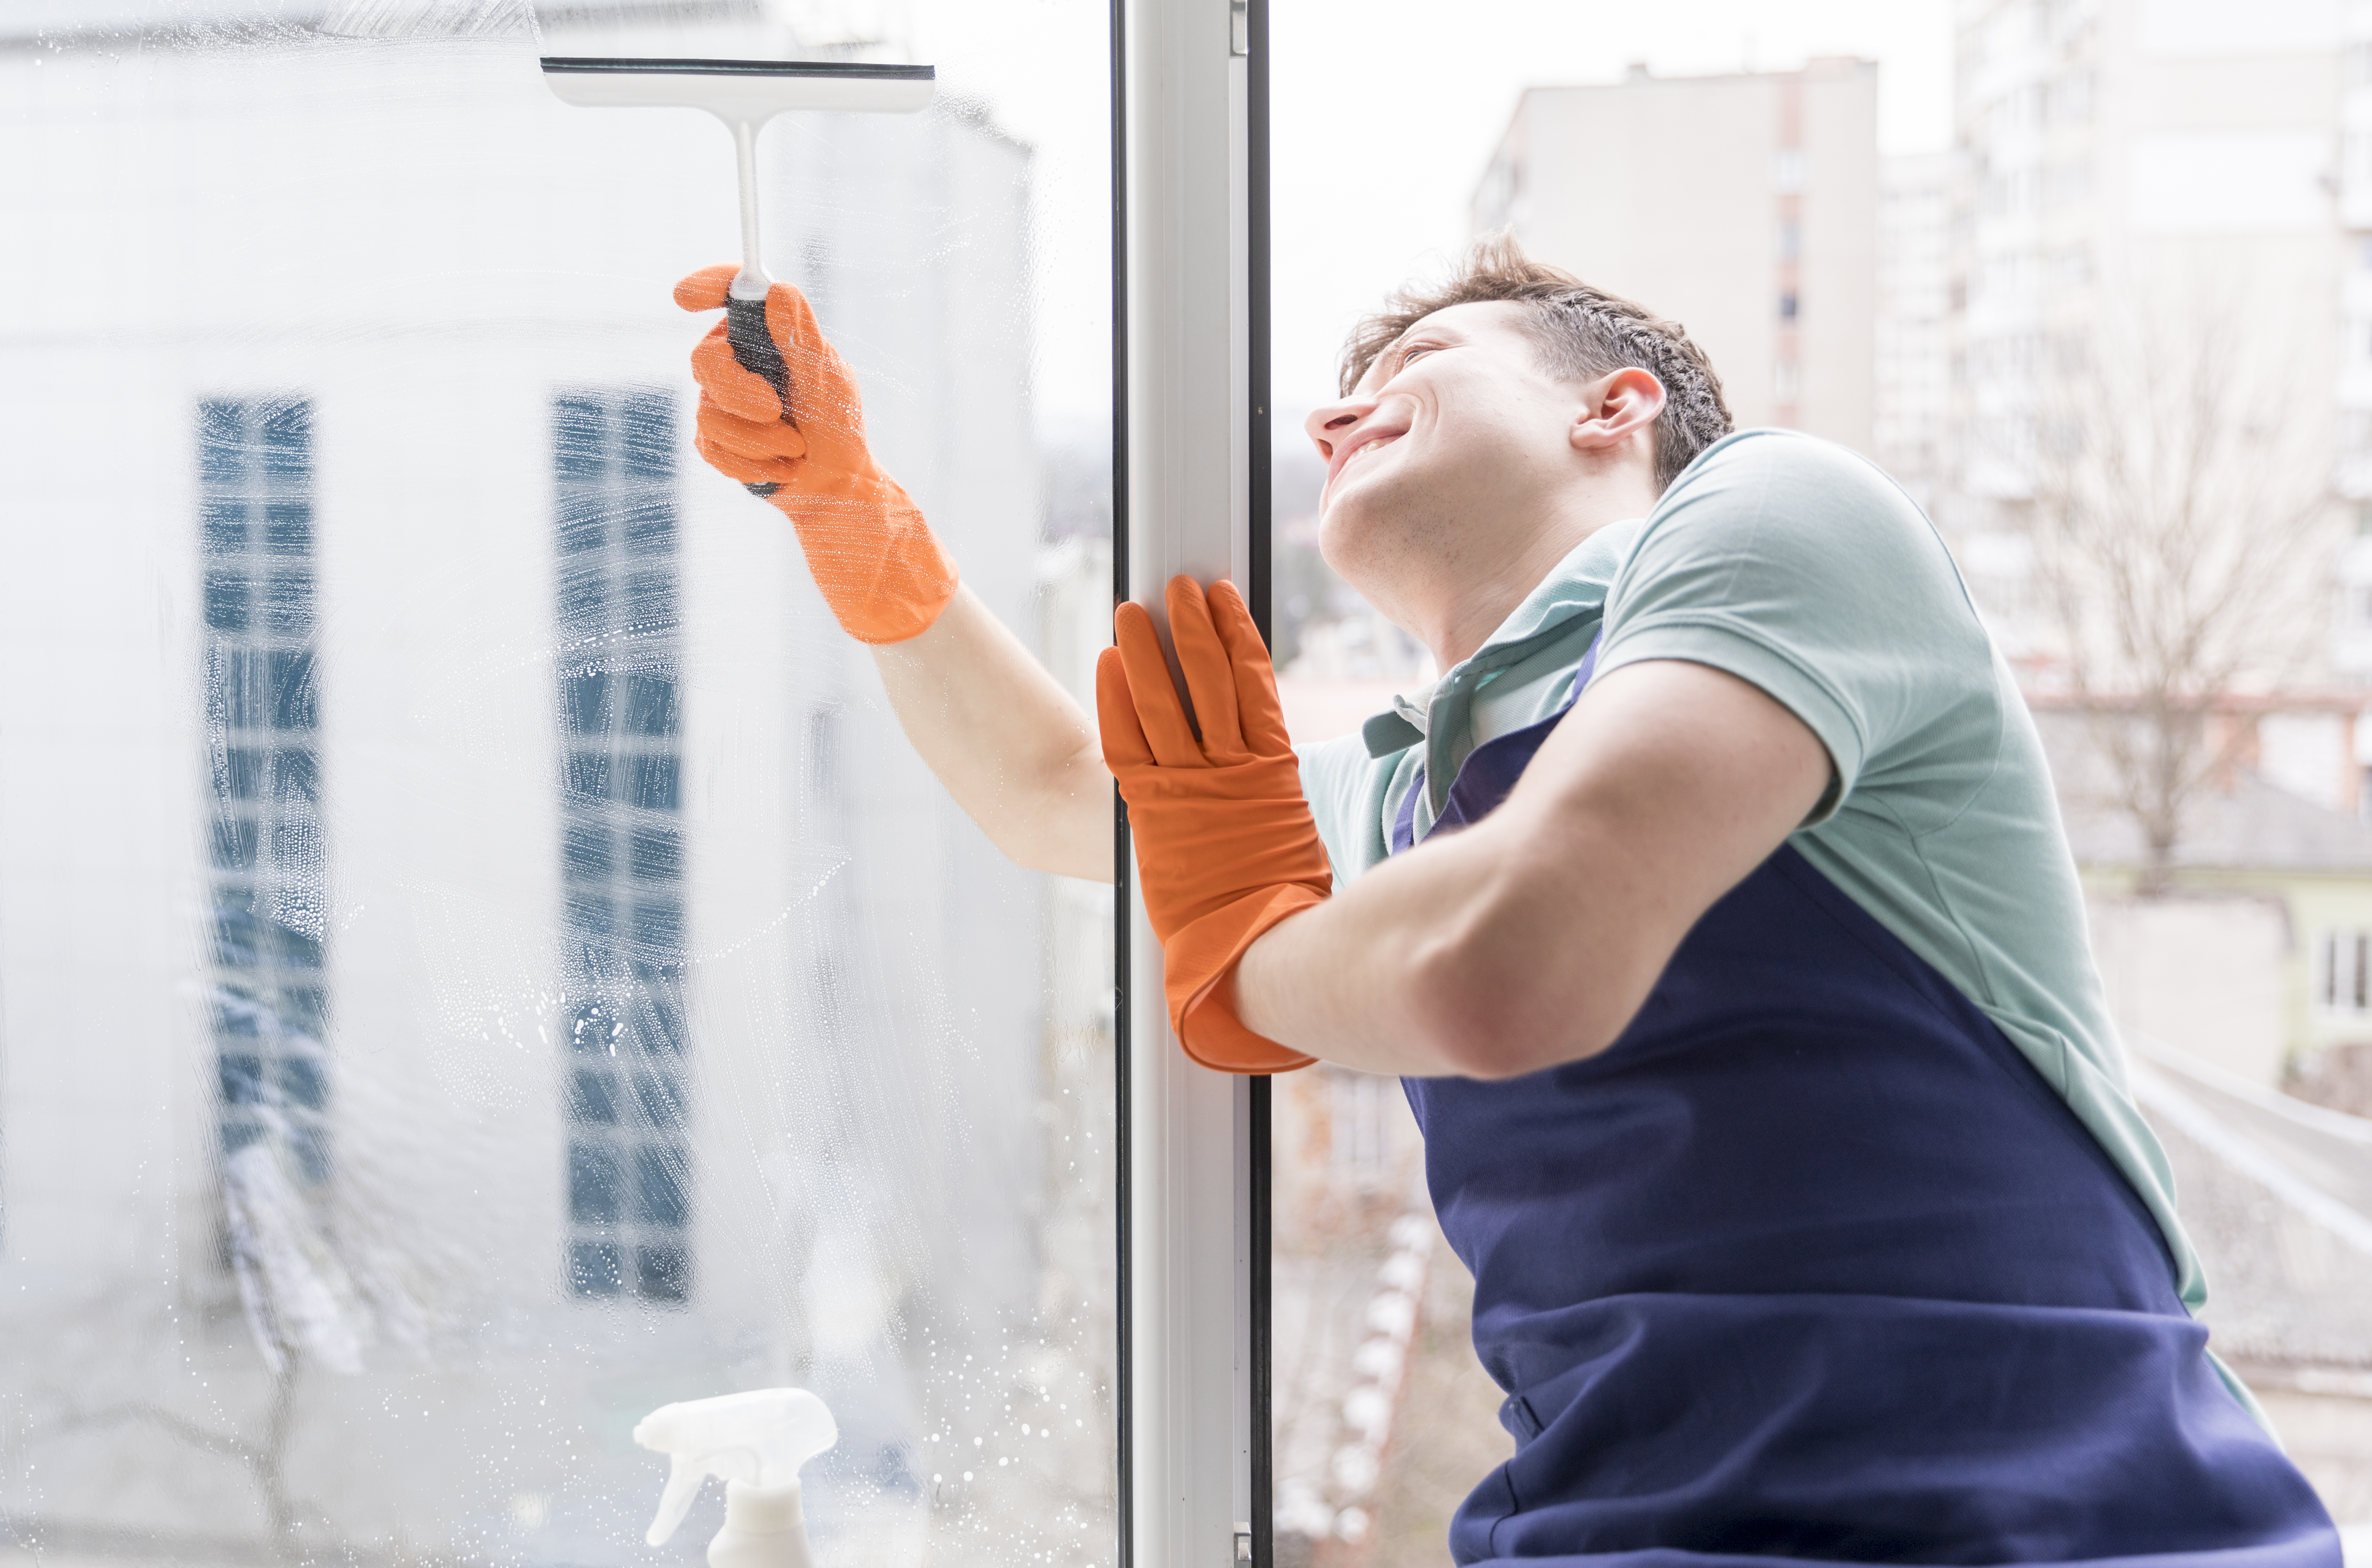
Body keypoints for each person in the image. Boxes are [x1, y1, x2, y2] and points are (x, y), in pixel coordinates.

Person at [676, 243, 2341, 1568]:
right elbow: (1055, 800)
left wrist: (1241, 943)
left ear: (1613, 408)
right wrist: (848, 514)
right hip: (1619, 1524)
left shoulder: (1780, 519)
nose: (1337, 417)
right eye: (1332, 405)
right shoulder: (1408, 796)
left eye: (1410, 369)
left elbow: (1512, 964)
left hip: (2040, 1520)